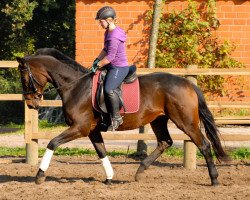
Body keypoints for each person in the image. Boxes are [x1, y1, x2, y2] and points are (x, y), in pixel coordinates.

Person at [92, 6, 130, 131]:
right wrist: (96, 60)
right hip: (110, 65)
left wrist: (98, 65)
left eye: (101, 21)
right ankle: (104, 117)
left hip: (118, 67)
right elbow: (105, 49)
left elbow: (110, 57)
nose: (100, 23)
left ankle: (117, 117)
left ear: (109, 20)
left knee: (109, 89)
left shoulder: (114, 36)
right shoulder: (108, 32)